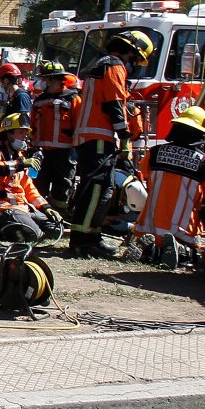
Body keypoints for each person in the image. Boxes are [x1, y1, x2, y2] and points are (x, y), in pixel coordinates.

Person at [69, 29, 153, 259]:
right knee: (96, 188)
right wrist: (124, 135)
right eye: (135, 59)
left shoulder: (101, 64)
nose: (134, 65)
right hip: (97, 136)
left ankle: (92, 237)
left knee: (103, 188)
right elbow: (113, 104)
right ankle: (82, 241)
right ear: (130, 51)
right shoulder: (115, 65)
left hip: (93, 136)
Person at [128, 106, 205, 269]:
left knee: (153, 245)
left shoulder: (155, 152)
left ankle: (148, 248)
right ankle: (180, 250)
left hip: (149, 224)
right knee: (190, 253)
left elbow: (146, 173)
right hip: (182, 229)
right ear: (201, 134)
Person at [0, 113, 62, 242]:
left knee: (56, 230)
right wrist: (20, 165)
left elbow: (28, 187)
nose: (25, 136)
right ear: (8, 134)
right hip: (0, 208)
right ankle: (2, 229)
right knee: (33, 235)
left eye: (26, 133)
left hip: (21, 208)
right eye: (21, 132)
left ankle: (4, 230)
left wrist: (46, 208)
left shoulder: (19, 157)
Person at [30, 61, 80, 214]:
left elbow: (79, 125)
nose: (41, 82)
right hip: (41, 152)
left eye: (44, 78)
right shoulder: (39, 100)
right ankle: (40, 214)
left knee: (62, 186)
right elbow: (32, 125)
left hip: (63, 152)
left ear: (53, 79)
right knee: (38, 185)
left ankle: (60, 215)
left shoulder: (73, 99)